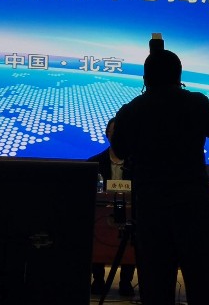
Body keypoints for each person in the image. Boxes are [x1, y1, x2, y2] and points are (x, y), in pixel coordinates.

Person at [112, 47, 209, 305]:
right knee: (202, 280)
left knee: (155, 284)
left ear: (145, 79)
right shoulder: (196, 102)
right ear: (179, 75)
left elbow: (118, 151)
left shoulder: (132, 109)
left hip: (151, 207)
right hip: (193, 205)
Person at [89, 117, 136, 298]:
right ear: (107, 135)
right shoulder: (94, 163)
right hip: (101, 215)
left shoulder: (138, 164)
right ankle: (98, 280)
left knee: (132, 238)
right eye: (114, 132)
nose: (118, 136)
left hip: (131, 214)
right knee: (96, 231)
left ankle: (126, 281)